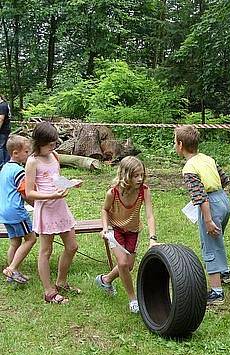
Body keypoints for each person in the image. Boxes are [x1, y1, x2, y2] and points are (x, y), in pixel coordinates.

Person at [174, 125, 230, 305]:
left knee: (210, 245)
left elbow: (200, 197)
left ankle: (216, 292)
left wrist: (207, 219)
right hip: (224, 201)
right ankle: (225, 273)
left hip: (210, 206)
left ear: (180, 144)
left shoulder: (189, 168)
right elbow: (224, 180)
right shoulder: (208, 159)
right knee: (217, 239)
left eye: (174, 142)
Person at [25, 121, 81, 304]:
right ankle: (49, 292)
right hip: (46, 209)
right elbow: (29, 192)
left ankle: (61, 281)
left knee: (72, 246)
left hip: (60, 207)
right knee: (46, 251)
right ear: (39, 142)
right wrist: (51, 196)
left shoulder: (54, 155)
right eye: (50, 144)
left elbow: (57, 179)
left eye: (55, 143)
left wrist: (70, 182)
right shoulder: (32, 161)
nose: (54, 146)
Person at [95, 156, 157, 314]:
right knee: (122, 263)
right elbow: (104, 210)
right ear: (125, 175)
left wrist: (152, 238)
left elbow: (149, 215)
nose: (140, 179)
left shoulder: (144, 191)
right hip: (115, 230)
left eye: (142, 175)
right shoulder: (113, 192)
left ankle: (105, 280)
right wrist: (105, 228)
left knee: (128, 266)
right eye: (136, 175)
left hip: (133, 231)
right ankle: (133, 300)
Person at [0, 135, 37, 283]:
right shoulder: (19, 171)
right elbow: (26, 193)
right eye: (26, 152)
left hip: (4, 212)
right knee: (31, 239)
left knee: (15, 242)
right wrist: (37, 206)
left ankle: (13, 276)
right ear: (15, 153)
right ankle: (12, 268)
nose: (28, 155)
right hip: (16, 212)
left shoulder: (4, 168)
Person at [0, 94, 11, 168]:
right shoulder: (5, 104)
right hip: (6, 129)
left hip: (3, 130)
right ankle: (6, 162)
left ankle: (1, 164)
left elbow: (1, 119)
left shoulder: (2, 106)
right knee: (5, 147)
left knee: (0, 147)